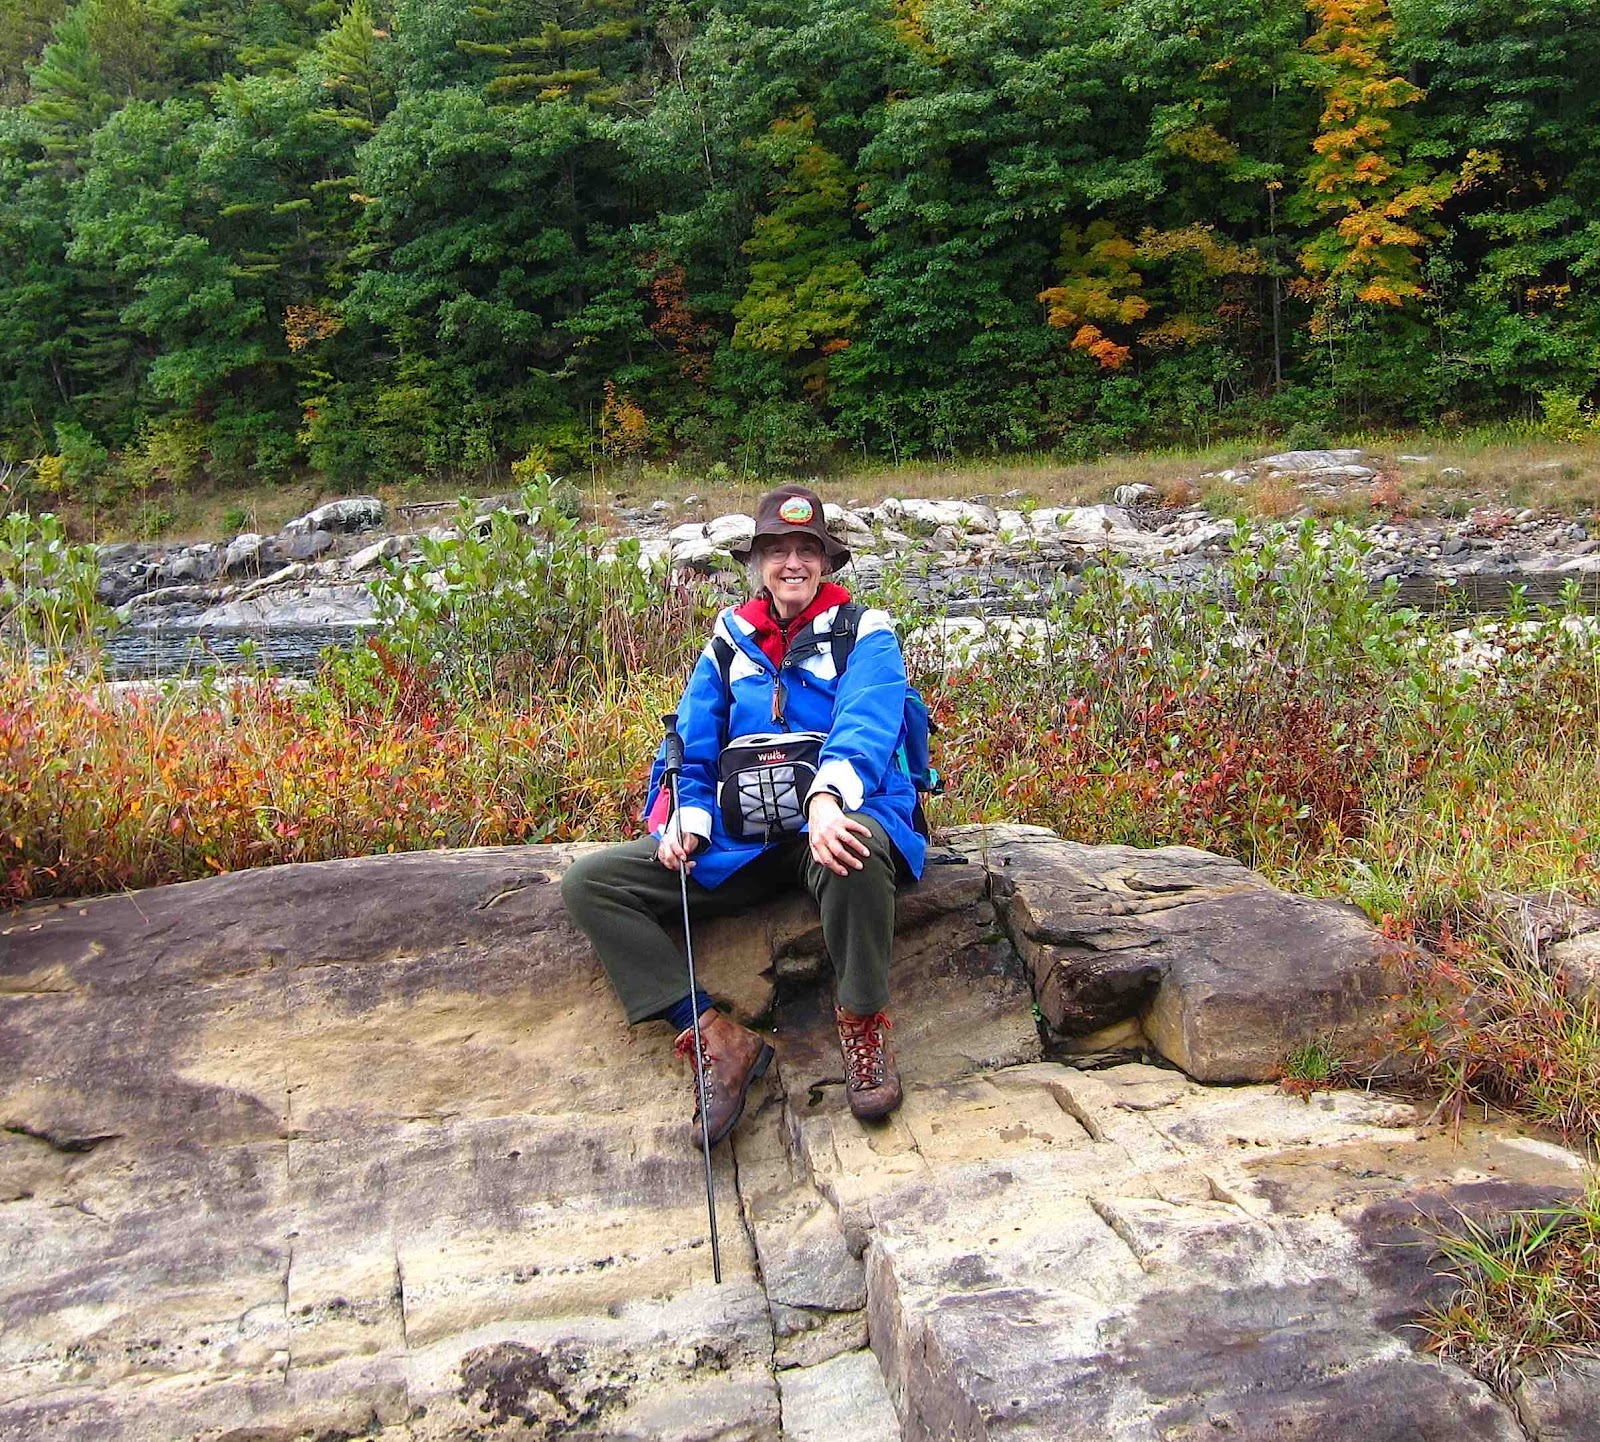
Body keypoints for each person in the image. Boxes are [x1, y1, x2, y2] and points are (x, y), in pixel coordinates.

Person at [560, 484, 927, 1147]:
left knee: (855, 848)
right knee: (593, 885)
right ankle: (716, 1036)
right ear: (758, 563)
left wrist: (826, 800)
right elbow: (691, 744)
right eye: (778, 550)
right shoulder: (729, 642)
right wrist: (685, 819)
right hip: (743, 840)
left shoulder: (866, 634)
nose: (793, 563)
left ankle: (863, 1025)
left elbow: (867, 726)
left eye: (807, 550)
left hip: (835, 821)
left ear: (826, 562)